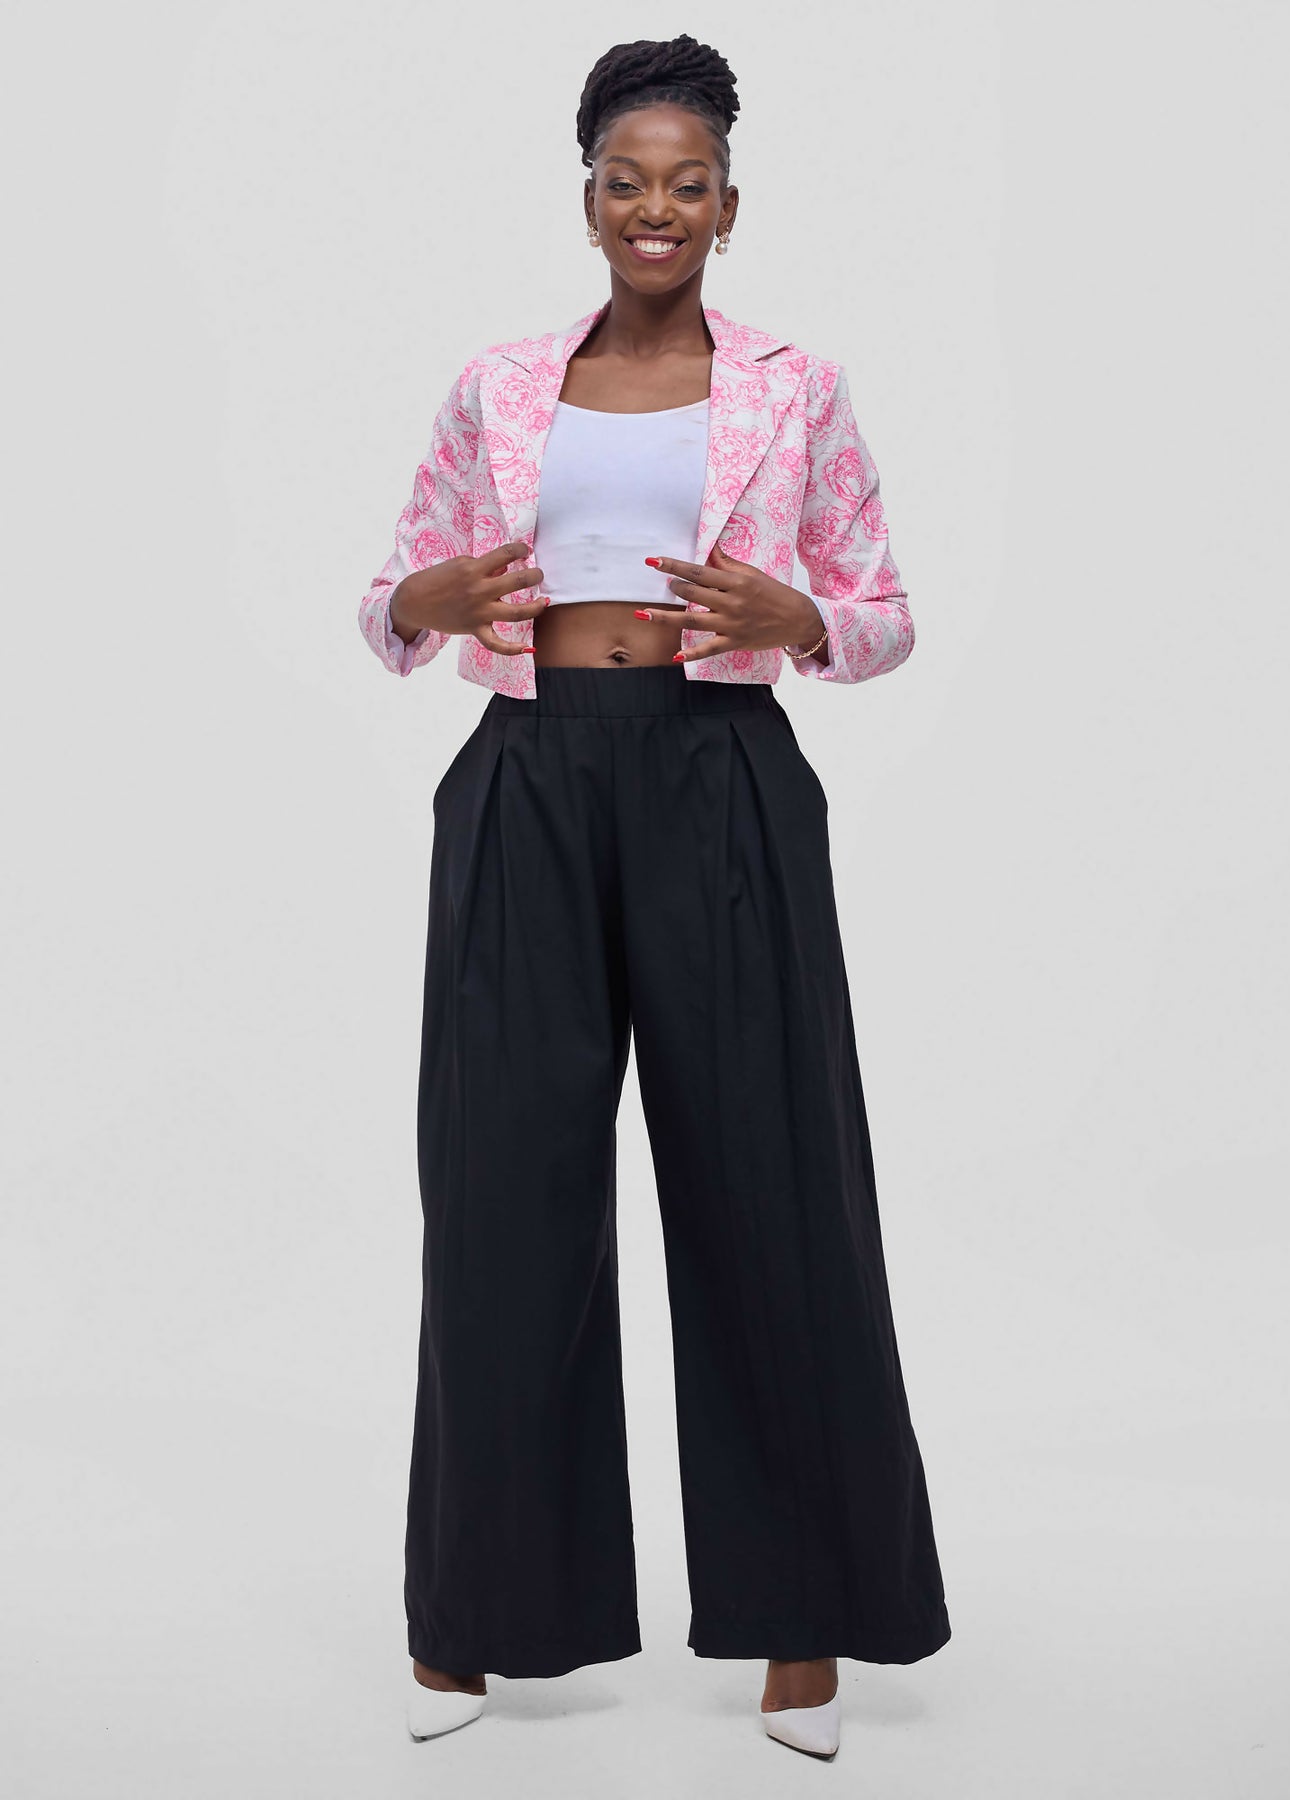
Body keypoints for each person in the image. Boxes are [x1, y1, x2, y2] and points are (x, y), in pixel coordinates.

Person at [357, 33, 952, 1762]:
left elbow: (883, 613)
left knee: (769, 1184)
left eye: (687, 184)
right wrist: (426, 600)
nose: (655, 208)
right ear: (589, 200)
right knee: (500, 1195)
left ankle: (801, 1626)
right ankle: (479, 1622)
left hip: (721, 780)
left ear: (728, 206)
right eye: (626, 181)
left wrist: (799, 622)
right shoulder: (495, 385)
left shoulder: (794, 387)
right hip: (526, 781)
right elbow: (389, 599)